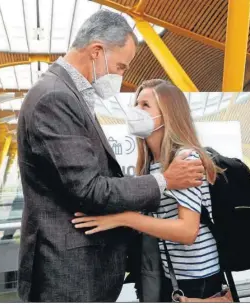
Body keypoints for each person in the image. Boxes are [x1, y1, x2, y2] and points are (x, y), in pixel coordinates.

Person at [17, 12, 204, 302]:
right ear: (96, 52)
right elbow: (89, 188)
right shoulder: (55, 97)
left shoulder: (66, 94)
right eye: (120, 66)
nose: (120, 76)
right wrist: (163, 181)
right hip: (69, 272)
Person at [71, 79, 224, 302]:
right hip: (167, 273)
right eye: (136, 104)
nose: (136, 111)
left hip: (195, 277)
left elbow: (187, 231)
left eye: (145, 105)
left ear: (168, 114)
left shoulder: (184, 159)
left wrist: (125, 219)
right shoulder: (151, 163)